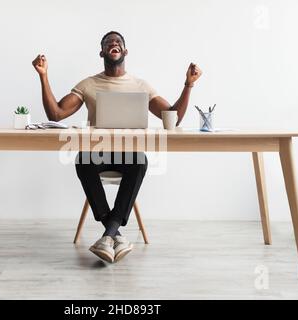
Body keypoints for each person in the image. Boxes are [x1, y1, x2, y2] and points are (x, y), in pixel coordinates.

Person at [32, 31, 202, 263]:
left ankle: (108, 234)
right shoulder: (89, 84)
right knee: (82, 160)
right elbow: (56, 113)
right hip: (98, 153)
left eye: (118, 42)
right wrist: (43, 76)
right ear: (102, 52)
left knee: (140, 161)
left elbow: (172, 118)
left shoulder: (140, 85)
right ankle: (115, 235)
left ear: (125, 51)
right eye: (108, 43)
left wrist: (188, 85)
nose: (113, 44)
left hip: (128, 156)